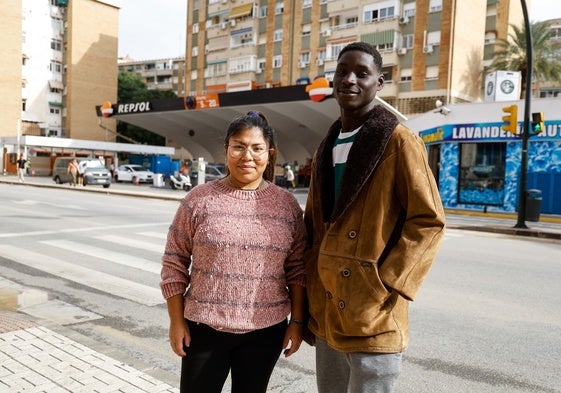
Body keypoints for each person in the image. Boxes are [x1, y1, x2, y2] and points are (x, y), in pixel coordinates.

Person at [303, 42, 446, 393]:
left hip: (373, 315)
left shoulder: (398, 141)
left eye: (361, 73)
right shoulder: (327, 144)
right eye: (342, 71)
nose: (349, 79)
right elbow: (313, 226)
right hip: (327, 310)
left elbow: (428, 221)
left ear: (379, 83)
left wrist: (387, 283)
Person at [160, 111, 307, 393]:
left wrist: (297, 322)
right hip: (203, 329)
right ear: (226, 149)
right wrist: (176, 322)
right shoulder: (198, 200)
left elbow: (298, 269)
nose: (247, 156)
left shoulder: (287, 206)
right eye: (238, 146)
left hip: (266, 331)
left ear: (270, 152)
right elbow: (174, 264)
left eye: (257, 148)